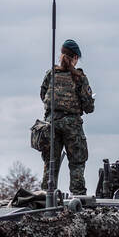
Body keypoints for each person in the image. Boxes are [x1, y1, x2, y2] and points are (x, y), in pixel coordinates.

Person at [39, 39, 95, 195]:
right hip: (72, 125)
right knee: (77, 162)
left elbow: (43, 95)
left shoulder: (51, 74)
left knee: (51, 163)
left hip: (51, 123)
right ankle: (78, 196)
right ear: (75, 57)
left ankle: (46, 196)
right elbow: (88, 106)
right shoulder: (79, 77)